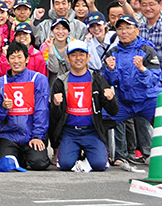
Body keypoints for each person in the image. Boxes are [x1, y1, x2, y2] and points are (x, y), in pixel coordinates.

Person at [102, 15, 162, 172]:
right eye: (120, 28)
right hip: (124, 102)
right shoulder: (113, 51)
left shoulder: (147, 49)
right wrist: (110, 70)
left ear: (137, 30)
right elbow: (109, 81)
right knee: (99, 119)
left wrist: (142, 70)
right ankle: (94, 155)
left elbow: (154, 79)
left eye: (128, 28)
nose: (124, 32)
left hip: (149, 100)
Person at [50, 40, 118, 172]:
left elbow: (113, 111)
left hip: (92, 131)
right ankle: (75, 153)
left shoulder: (97, 79)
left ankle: (91, 154)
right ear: (68, 59)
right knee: (65, 164)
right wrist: (56, 105)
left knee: (99, 165)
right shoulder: (60, 81)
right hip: (70, 131)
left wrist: (111, 99)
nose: (78, 58)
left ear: (88, 57)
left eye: (82, 54)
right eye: (74, 55)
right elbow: (55, 116)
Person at [0, 41, 50, 171]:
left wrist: (38, 136)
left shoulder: (38, 79)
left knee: (39, 163)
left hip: (31, 134)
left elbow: (42, 109)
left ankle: (27, 155)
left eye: (20, 57)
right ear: (8, 60)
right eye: (12, 57)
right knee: (5, 165)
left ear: (27, 59)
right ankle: (18, 156)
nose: (16, 61)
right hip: (9, 135)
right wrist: (3, 107)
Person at [43, 18, 73, 86]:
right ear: (52, 30)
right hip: (54, 85)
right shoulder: (45, 46)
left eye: (64, 28)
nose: (60, 32)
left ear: (68, 31)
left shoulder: (75, 44)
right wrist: (50, 48)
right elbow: (54, 69)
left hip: (72, 84)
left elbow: (71, 67)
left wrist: (67, 50)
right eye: (57, 28)